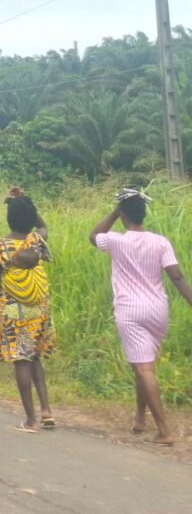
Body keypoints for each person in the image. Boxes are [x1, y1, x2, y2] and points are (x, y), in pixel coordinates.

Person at [89, 187, 192, 446]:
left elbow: (94, 236)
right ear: (144, 213)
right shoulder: (161, 242)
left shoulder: (116, 240)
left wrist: (115, 211)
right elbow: (177, 276)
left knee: (143, 368)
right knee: (143, 365)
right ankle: (139, 418)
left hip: (130, 310)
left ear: (124, 214)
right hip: (158, 309)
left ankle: (164, 430)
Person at [0, 188, 56, 432]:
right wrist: (26, 202)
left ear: (8, 218)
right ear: (31, 218)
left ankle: (30, 419)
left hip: (15, 313)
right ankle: (46, 410)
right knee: (35, 357)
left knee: (21, 360)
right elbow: (43, 225)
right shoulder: (37, 241)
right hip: (40, 310)